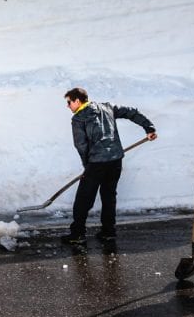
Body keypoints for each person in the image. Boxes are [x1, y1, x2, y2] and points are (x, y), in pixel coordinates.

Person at [61, 87, 157, 244]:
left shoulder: (78, 119)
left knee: (83, 199)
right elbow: (131, 112)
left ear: (77, 101)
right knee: (108, 195)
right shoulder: (107, 107)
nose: (68, 106)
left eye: (69, 102)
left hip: (96, 163)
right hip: (115, 160)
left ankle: (77, 234)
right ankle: (108, 232)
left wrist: (88, 166)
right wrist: (149, 127)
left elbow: (81, 146)